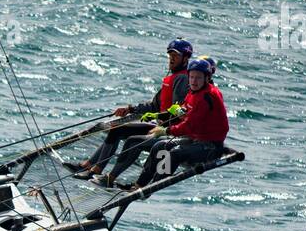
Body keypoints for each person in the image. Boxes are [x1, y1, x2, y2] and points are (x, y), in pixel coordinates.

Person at [67, 39, 194, 180]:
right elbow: (154, 105)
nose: (171, 59)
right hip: (159, 124)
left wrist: (157, 117)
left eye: (176, 56)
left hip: (167, 129)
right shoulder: (172, 78)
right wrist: (130, 109)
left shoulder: (182, 79)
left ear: (186, 58)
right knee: (116, 129)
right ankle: (89, 165)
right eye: (170, 55)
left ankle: (95, 170)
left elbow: (176, 111)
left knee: (119, 131)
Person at [121, 57, 228, 189]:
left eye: (198, 78)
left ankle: (152, 187)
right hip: (195, 138)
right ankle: (139, 185)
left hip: (210, 146)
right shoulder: (194, 91)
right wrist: (158, 115)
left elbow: (189, 125)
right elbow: (182, 110)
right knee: (160, 146)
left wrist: (166, 131)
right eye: (192, 77)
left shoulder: (206, 97)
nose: (194, 81)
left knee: (174, 154)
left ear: (207, 78)